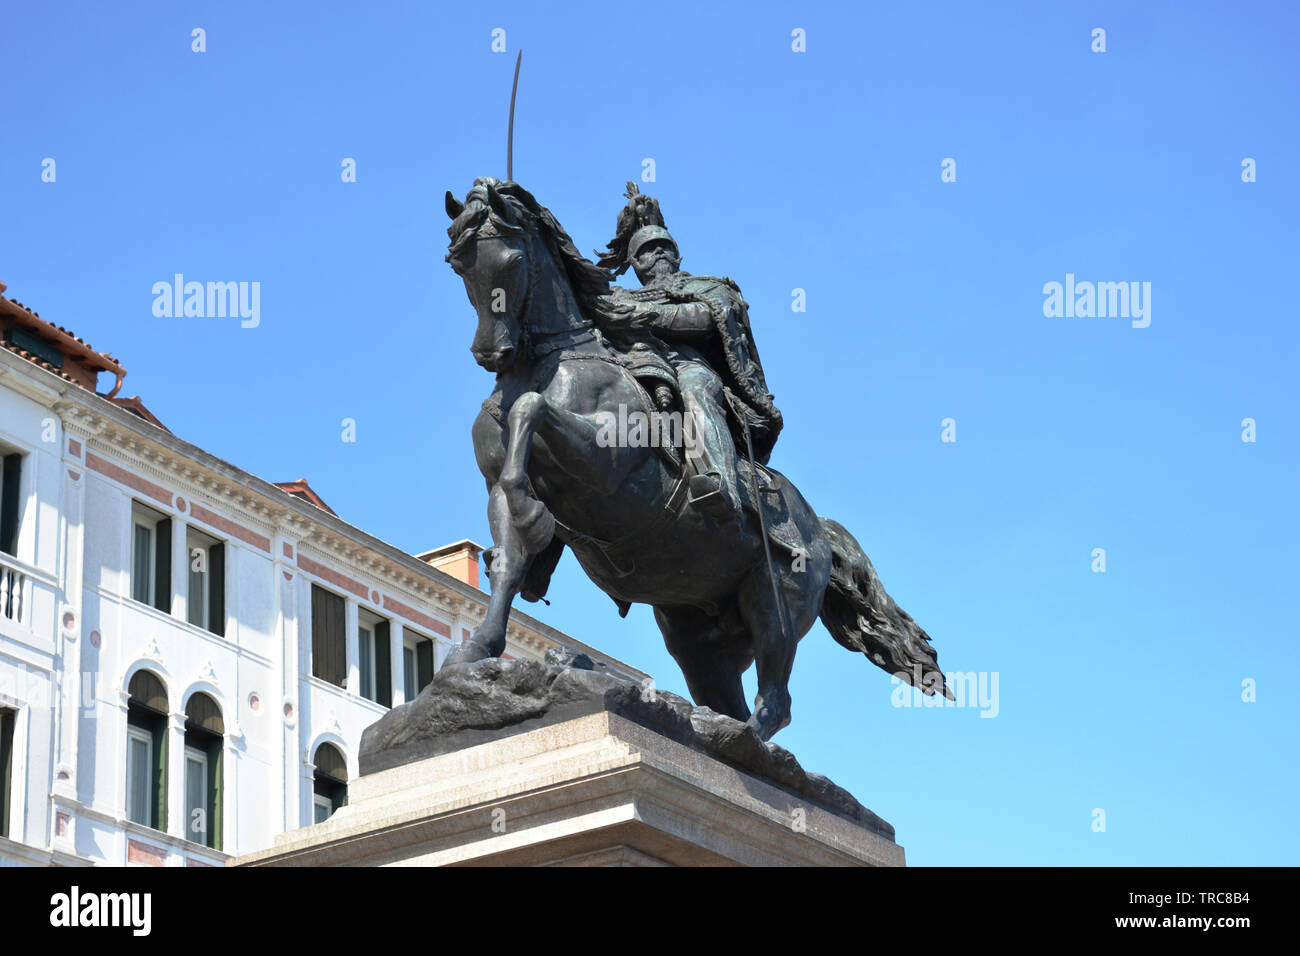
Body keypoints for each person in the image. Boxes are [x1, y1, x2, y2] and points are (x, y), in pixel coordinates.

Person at [595, 183, 783, 522]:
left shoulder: (704, 287)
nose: (659, 254)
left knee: (696, 388)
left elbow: (704, 319)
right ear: (635, 262)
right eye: (649, 250)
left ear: (678, 254)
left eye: (665, 247)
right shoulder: (620, 297)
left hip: (688, 367)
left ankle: (720, 481)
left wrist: (648, 316)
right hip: (634, 365)